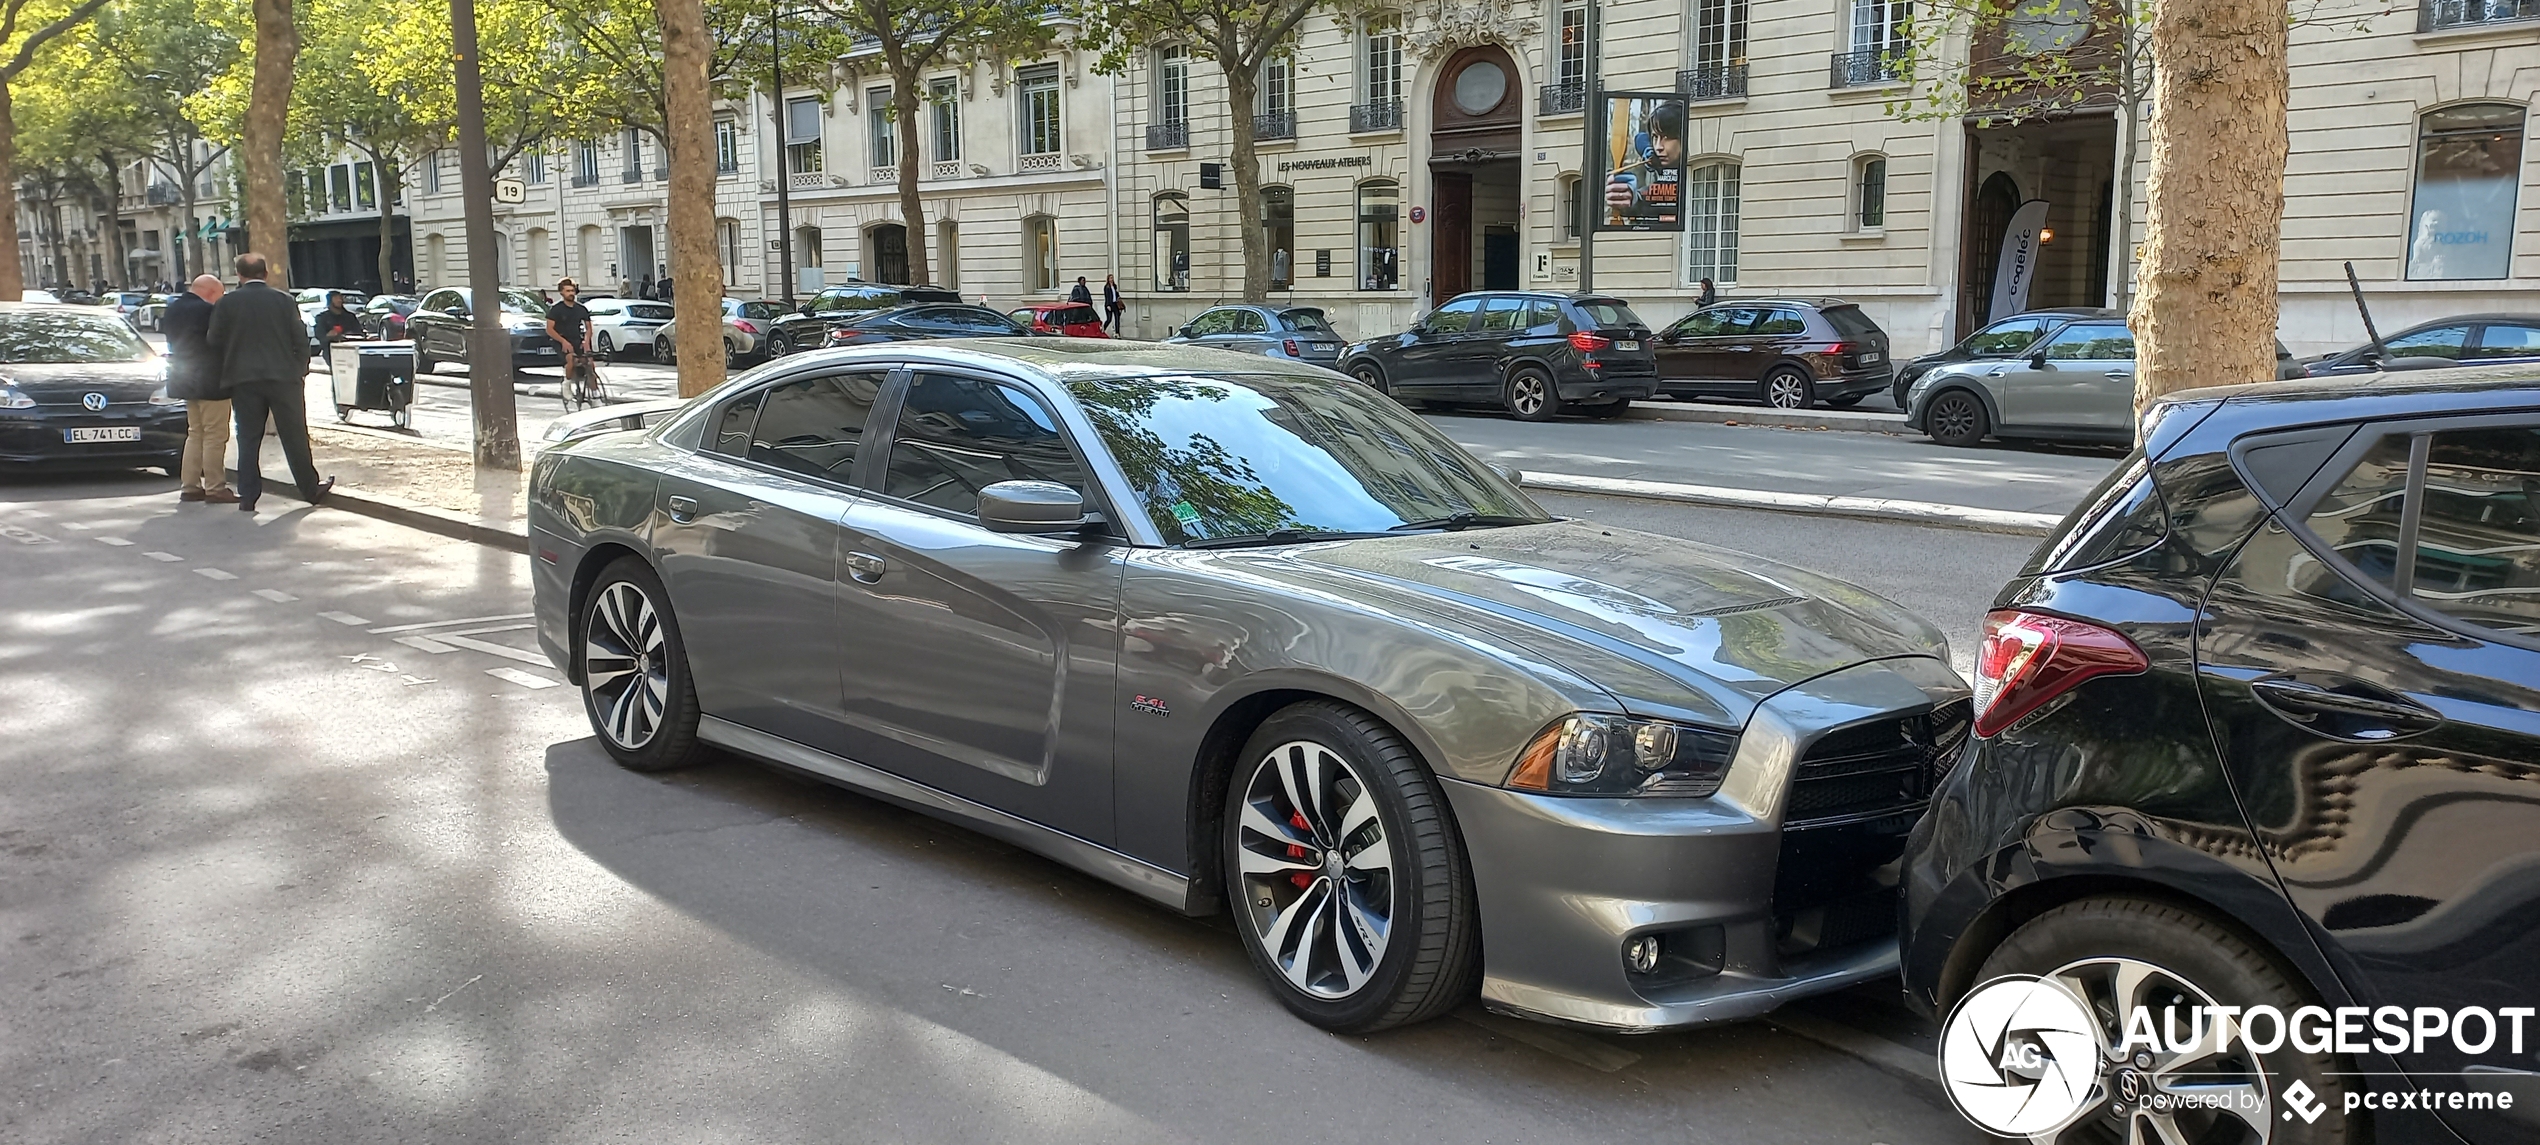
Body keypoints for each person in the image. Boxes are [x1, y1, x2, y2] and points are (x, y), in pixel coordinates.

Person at [208, 253, 332, 513]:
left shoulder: (227, 303)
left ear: (239, 276)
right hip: (283, 377)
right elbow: (300, 339)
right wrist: (300, 370)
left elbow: (214, 341)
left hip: (244, 379)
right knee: (295, 434)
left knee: (249, 438)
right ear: (265, 274)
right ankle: (309, 488)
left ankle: (248, 496)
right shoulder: (284, 301)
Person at [163, 274, 235, 505]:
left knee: (195, 432)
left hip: (184, 378)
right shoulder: (207, 311)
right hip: (211, 380)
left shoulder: (173, 308)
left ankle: (191, 485)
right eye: (220, 295)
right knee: (215, 434)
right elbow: (221, 341)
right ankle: (215, 487)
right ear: (211, 293)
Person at [1605, 101, 1686, 226]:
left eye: (1667, 137)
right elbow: (1640, 138)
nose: (1658, 147)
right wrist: (1648, 151)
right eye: (1655, 137)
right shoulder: (1658, 155)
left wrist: (1637, 198)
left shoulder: (1687, 174)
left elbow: (1662, 201)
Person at [547, 277, 595, 392]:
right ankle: (567, 384)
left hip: (577, 339)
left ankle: (595, 393)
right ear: (561, 292)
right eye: (568, 291)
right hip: (561, 340)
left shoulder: (581, 309)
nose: (571, 293)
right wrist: (563, 341)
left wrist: (586, 341)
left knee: (590, 364)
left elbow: (588, 327)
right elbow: (549, 329)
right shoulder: (556, 309)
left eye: (572, 291)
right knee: (571, 360)